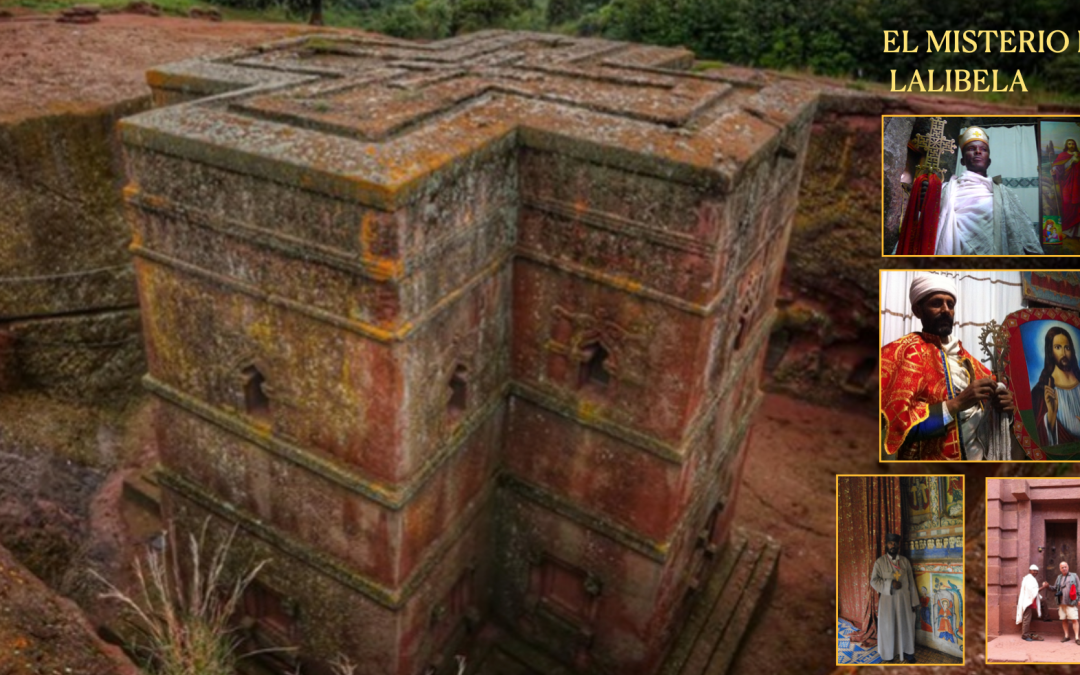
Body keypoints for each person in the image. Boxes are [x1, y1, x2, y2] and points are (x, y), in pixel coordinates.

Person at [880, 273, 1015, 460]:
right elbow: (895, 429)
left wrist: (1004, 410)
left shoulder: (972, 364)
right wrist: (957, 404)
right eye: (937, 303)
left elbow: (986, 424)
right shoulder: (899, 354)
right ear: (918, 310)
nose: (946, 310)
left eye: (950, 305)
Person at [934, 126, 1043, 255]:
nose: (978, 152)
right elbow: (928, 221)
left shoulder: (1005, 195)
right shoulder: (946, 190)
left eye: (983, 149)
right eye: (971, 149)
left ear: (989, 161)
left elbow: (1025, 234)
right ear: (962, 160)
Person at [869, 533, 919, 663]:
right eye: (890, 543)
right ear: (886, 545)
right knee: (888, 627)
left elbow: (911, 582)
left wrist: (914, 602)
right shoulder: (879, 562)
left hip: (904, 601)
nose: (893, 545)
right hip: (888, 602)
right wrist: (890, 584)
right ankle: (889, 654)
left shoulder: (904, 561)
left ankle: (908, 652)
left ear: (898, 545)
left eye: (895, 543)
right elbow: (874, 581)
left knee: (906, 625)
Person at [1031, 326, 1080, 446]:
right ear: (1050, 351)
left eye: (1067, 347)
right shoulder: (1041, 391)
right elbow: (1036, 437)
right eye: (1058, 347)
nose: (1064, 353)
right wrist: (1051, 415)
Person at [1052, 139, 1080, 237]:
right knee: (1066, 202)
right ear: (1066, 145)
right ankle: (1067, 229)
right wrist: (1054, 170)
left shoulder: (1078, 155)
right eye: (1069, 143)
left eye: (1073, 143)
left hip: (1077, 183)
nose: (1071, 145)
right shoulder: (1062, 155)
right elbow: (1057, 166)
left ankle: (1076, 232)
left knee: (1077, 204)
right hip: (1066, 183)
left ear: (1075, 145)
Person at [1017, 563, 1046, 641]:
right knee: (1027, 619)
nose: (1035, 572)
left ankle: (1046, 617)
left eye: (1037, 571)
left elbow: (1033, 591)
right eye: (1034, 571)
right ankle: (1025, 636)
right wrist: (1043, 587)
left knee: (1027, 618)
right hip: (1027, 601)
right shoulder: (1029, 578)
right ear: (1030, 571)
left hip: (1029, 600)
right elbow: (1032, 591)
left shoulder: (1030, 578)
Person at [1053, 561, 1080, 643]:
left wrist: (1079, 599)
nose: (1064, 568)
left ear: (1068, 567)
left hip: (1071, 602)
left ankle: (1077, 638)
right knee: (1064, 619)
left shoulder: (1074, 576)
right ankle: (1066, 636)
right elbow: (1054, 588)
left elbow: (1078, 588)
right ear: (1060, 569)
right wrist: (1047, 586)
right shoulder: (1059, 577)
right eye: (1062, 567)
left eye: (1065, 567)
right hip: (1061, 603)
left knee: (1074, 619)